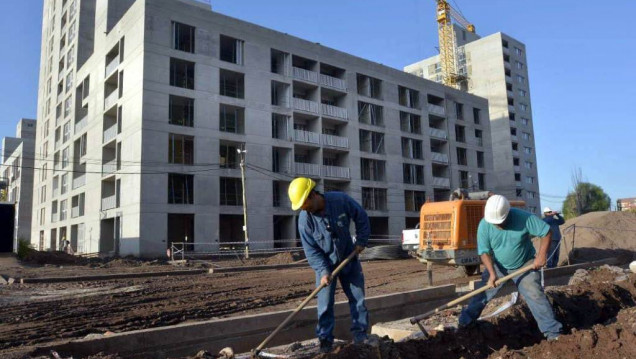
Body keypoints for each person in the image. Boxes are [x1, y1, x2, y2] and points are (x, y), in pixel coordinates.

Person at [458, 195, 562, 340]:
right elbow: (484, 252)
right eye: (494, 223)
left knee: (535, 295)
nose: (496, 225)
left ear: (507, 214)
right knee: (481, 295)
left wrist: (541, 255)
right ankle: (465, 324)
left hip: (525, 263)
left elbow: (546, 232)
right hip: (498, 266)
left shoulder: (523, 218)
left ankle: (553, 333)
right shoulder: (484, 225)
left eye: (499, 222)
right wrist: (492, 274)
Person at [288, 177, 371, 353]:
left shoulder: (340, 200)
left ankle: (360, 337)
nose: (304, 209)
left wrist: (362, 241)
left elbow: (361, 216)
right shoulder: (305, 221)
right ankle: (325, 342)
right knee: (324, 305)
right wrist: (323, 271)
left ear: (312, 195)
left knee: (358, 300)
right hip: (325, 265)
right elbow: (311, 251)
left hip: (349, 258)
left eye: (305, 204)